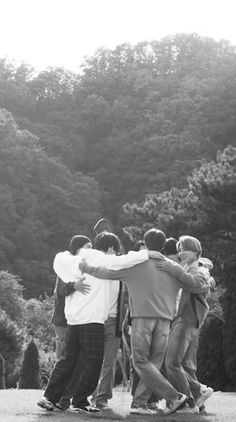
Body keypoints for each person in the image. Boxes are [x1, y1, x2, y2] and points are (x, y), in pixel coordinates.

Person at [80, 228, 214, 415]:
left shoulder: (137, 265)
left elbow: (107, 273)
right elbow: (193, 283)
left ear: (145, 242)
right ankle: (139, 403)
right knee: (153, 364)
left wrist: (86, 268)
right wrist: (208, 277)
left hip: (142, 319)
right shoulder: (173, 267)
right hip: (166, 322)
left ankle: (176, 397)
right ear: (164, 244)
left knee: (141, 362)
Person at [38, 233, 151, 414]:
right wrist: (148, 253)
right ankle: (80, 401)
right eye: (116, 250)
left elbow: (58, 260)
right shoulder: (105, 259)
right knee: (93, 360)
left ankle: (49, 397)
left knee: (67, 360)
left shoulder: (74, 258)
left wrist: (75, 279)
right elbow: (127, 261)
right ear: (110, 249)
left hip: (73, 319)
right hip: (92, 319)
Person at [157, 235, 215, 414]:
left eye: (185, 249)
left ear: (196, 252)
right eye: (179, 249)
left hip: (187, 319)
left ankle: (191, 400)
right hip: (182, 320)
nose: (180, 253)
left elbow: (194, 284)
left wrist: (172, 268)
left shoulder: (200, 270)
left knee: (172, 363)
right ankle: (198, 400)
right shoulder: (186, 268)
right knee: (185, 364)